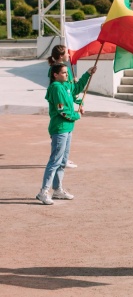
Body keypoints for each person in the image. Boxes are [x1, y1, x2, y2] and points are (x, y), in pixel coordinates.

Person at [36, 63, 96, 205]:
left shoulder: (65, 85)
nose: (67, 75)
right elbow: (61, 110)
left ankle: (57, 190)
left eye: (67, 72)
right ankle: (43, 192)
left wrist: (88, 73)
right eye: (64, 73)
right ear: (55, 75)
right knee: (55, 161)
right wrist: (76, 115)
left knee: (62, 161)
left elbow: (77, 88)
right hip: (60, 128)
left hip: (68, 128)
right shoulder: (56, 88)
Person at [47, 45, 79, 169]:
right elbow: (62, 104)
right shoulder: (57, 76)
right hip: (61, 109)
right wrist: (75, 115)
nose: (69, 55)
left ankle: (64, 160)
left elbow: (70, 88)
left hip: (64, 103)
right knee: (55, 158)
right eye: (67, 53)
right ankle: (60, 161)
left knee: (64, 141)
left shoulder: (58, 69)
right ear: (61, 56)